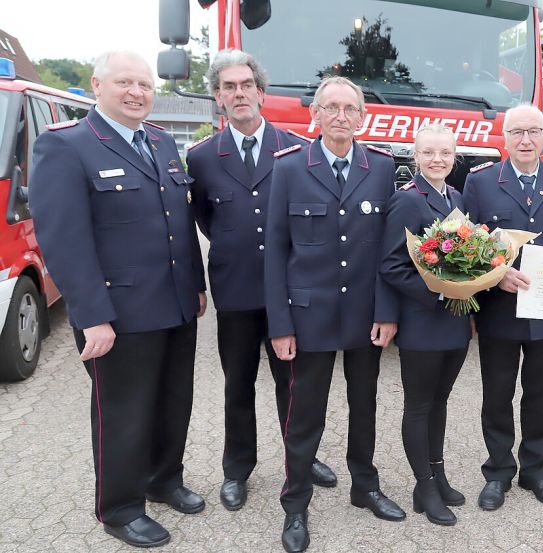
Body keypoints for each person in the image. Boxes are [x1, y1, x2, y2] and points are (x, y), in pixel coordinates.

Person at [28, 51, 206, 548]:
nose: (136, 92)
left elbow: (179, 223)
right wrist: (92, 316)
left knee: (174, 400)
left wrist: (195, 285)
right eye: (124, 82)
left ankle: (164, 479)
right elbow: (64, 240)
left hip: (175, 303)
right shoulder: (68, 146)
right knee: (124, 413)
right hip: (119, 312)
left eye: (144, 84)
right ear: (97, 86)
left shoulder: (161, 141)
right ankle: (120, 508)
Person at [186, 49, 337, 512]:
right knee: (238, 385)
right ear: (218, 97)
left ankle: (302, 459)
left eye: (246, 85)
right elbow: (205, 218)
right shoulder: (201, 158)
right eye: (229, 87)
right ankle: (237, 468)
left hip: (288, 294)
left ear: (261, 93)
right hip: (235, 292)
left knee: (294, 385)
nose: (239, 94)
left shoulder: (296, 150)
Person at [264, 76, 402, 553]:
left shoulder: (380, 167)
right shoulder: (289, 167)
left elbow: (388, 251)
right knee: (305, 416)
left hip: (365, 316)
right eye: (332, 107)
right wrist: (280, 324)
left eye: (350, 109)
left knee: (365, 406)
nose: (341, 116)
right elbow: (275, 251)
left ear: (362, 117)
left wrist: (387, 312)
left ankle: (365, 487)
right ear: (315, 115)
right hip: (309, 316)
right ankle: (295, 503)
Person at [462, 104, 543, 511]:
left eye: (533, 131)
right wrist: (495, 277)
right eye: (517, 132)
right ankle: (498, 472)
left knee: (540, 396)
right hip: (499, 310)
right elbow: (467, 246)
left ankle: (535, 470)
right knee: (497, 395)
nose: (525, 140)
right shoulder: (481, 182)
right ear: (505, 138)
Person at [379, 124, 471, 526]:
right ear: (415, 156)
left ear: (454, 158)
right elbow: (391, 265)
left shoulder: (456, 197)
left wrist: (467, 286)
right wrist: (438, 293)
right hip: (423, 322)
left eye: (445, 153)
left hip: (455, 322)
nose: (437, 159)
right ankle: (424, 486)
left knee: (440, 401)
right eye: (429, 152)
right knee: (419, 406)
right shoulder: (406, 200)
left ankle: (438, 474)